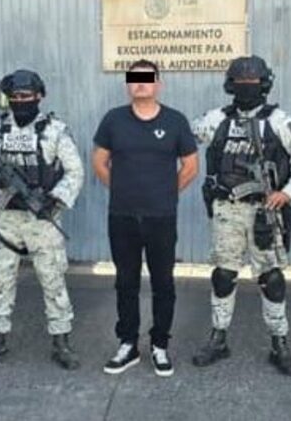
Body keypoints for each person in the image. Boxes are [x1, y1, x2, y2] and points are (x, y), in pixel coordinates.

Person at [190, 55, 291, 376]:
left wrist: (288, 192)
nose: (246, 87)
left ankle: (279, 343)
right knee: (223, 275)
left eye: (252, 82)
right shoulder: (215, 119)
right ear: (230, 85)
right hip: (227, 210)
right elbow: (184, 139)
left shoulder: (281, 121)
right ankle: (218, 338)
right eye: (240, 82)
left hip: (265, 211)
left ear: (264, 84)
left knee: (271, 278)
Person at [0, 69, 84, 371]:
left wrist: (55, 200)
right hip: (6, 217)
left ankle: (61, 342)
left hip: (42, 217)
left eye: (26, 96)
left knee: (53, 279)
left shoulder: (55, 130)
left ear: (39, 96)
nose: (20, 101)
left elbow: (75, 172)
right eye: (14, 97)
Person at [92, 59, 199, 377]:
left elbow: (191, 166)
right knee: (126, 282)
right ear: (128, 84)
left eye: (147, 78)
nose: (140, 83)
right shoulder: (113, 120)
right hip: (122, 216)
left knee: (163, 282)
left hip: (161, 217)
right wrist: (122, 190)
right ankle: (128, 344)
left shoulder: (175, 121)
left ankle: (160, 345)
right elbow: (99, 162)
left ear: (158, 84)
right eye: (134, 78)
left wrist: (165, 194)